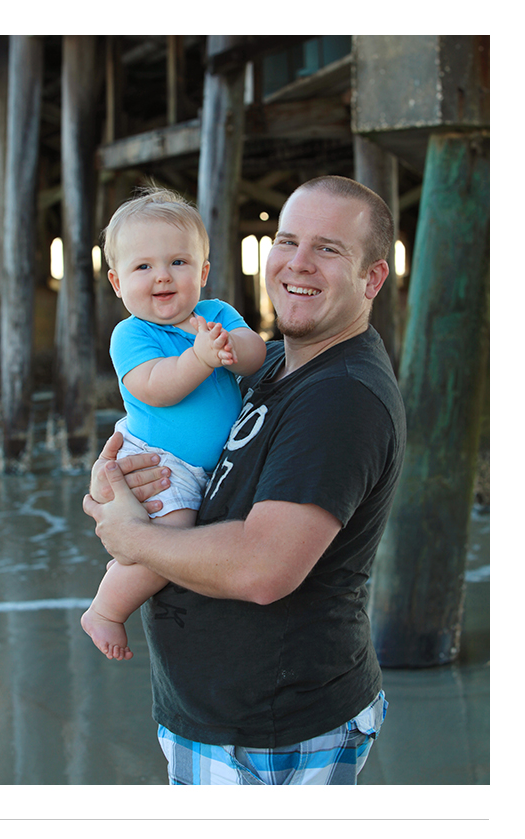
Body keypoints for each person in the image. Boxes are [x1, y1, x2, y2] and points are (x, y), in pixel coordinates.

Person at [83, 175, 407, 785]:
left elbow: (264, 568)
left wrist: (129, 539)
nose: (296, 263)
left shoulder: (341, 398)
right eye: (286, 241)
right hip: (222, 718)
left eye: (329, 248)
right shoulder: (285, 364)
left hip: (273, 731)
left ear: (372, 279)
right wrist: (116, 486)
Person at [81, 187, 267, 660]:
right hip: (159, 459)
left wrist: (230, 347)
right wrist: (202, 357)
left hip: (202, 468)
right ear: (117, 282)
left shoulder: (215, 314)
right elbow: (156, 386)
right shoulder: (132, 333)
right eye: (143, 267)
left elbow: (256, 355)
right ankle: (105, 609)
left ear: (202, 272)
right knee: (173, 536)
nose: (162, 276)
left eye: (178, 263)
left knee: (173, 536)